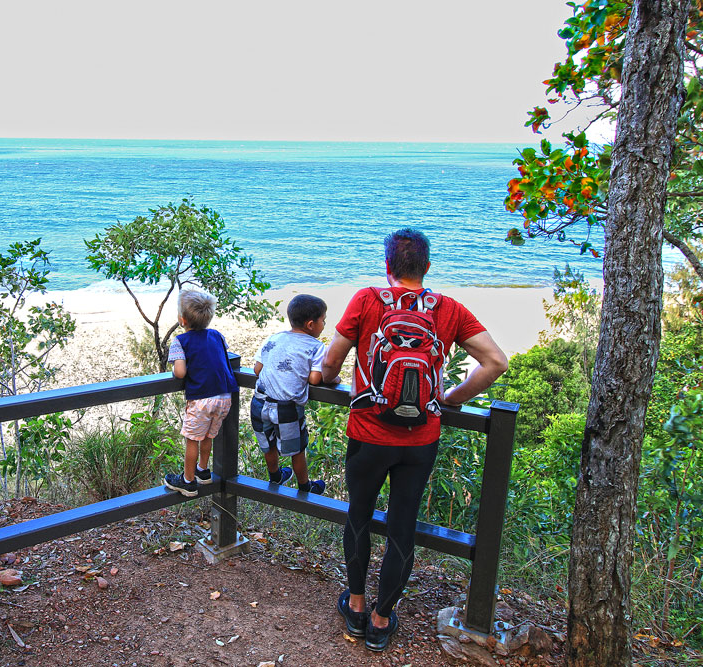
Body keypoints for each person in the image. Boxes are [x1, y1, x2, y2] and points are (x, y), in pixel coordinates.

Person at [320, 228, 508, 652]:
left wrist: (327, 380)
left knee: (359, 517)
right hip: (419, 440)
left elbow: (332, 360)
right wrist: (449, 398)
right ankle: (382, 620)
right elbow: (496, 361)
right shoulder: (449, 309)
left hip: (367, 434)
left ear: (387, 266)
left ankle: (354, 606)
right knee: (403, 527)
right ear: (427, 267)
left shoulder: (367, 300)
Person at [250, 294, 331, 494]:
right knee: (296, 449)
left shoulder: (274, 337)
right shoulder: (316, 346)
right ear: (311, 324)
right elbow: (314, 379)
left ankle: (276, 476)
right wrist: (334, 379)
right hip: (286, 407)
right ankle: (305, 487)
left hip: (259, 402)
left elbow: (257, 369)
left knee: (268, 444)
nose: (325, 324)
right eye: (323, 320)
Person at [163, 290, 238, 498]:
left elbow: (180, 372)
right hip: (224, 397)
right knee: (208, 435)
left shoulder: (180, 341)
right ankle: (203, 471)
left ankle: (187, 482)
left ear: (182, 320)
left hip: (201, 399)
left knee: (192, 439)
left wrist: (173, 369)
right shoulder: (217, 335)